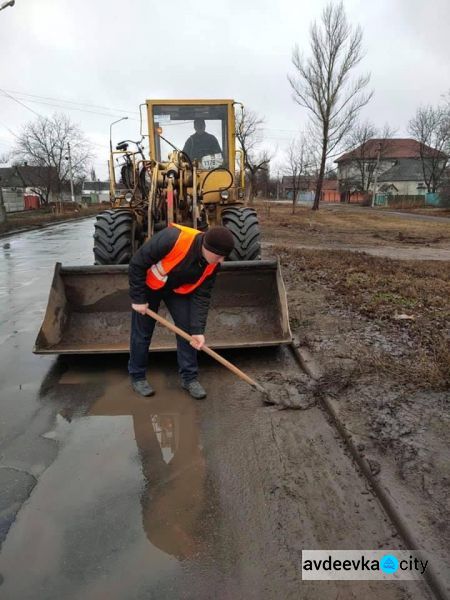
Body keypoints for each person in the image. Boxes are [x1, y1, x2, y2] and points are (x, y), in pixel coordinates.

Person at [128, 223, 235, 399]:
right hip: (150, 286)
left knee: (188, 332)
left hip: (176, 290)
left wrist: (198, 330)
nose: (221, 261)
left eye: (223, 257)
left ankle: (189, 379)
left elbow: (202, 296)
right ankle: (138, 377)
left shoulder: (213, 264)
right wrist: (138, 299)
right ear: (205, 247)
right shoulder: (172, 238)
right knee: (142, 332)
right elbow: (137, 264)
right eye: (218, 256)